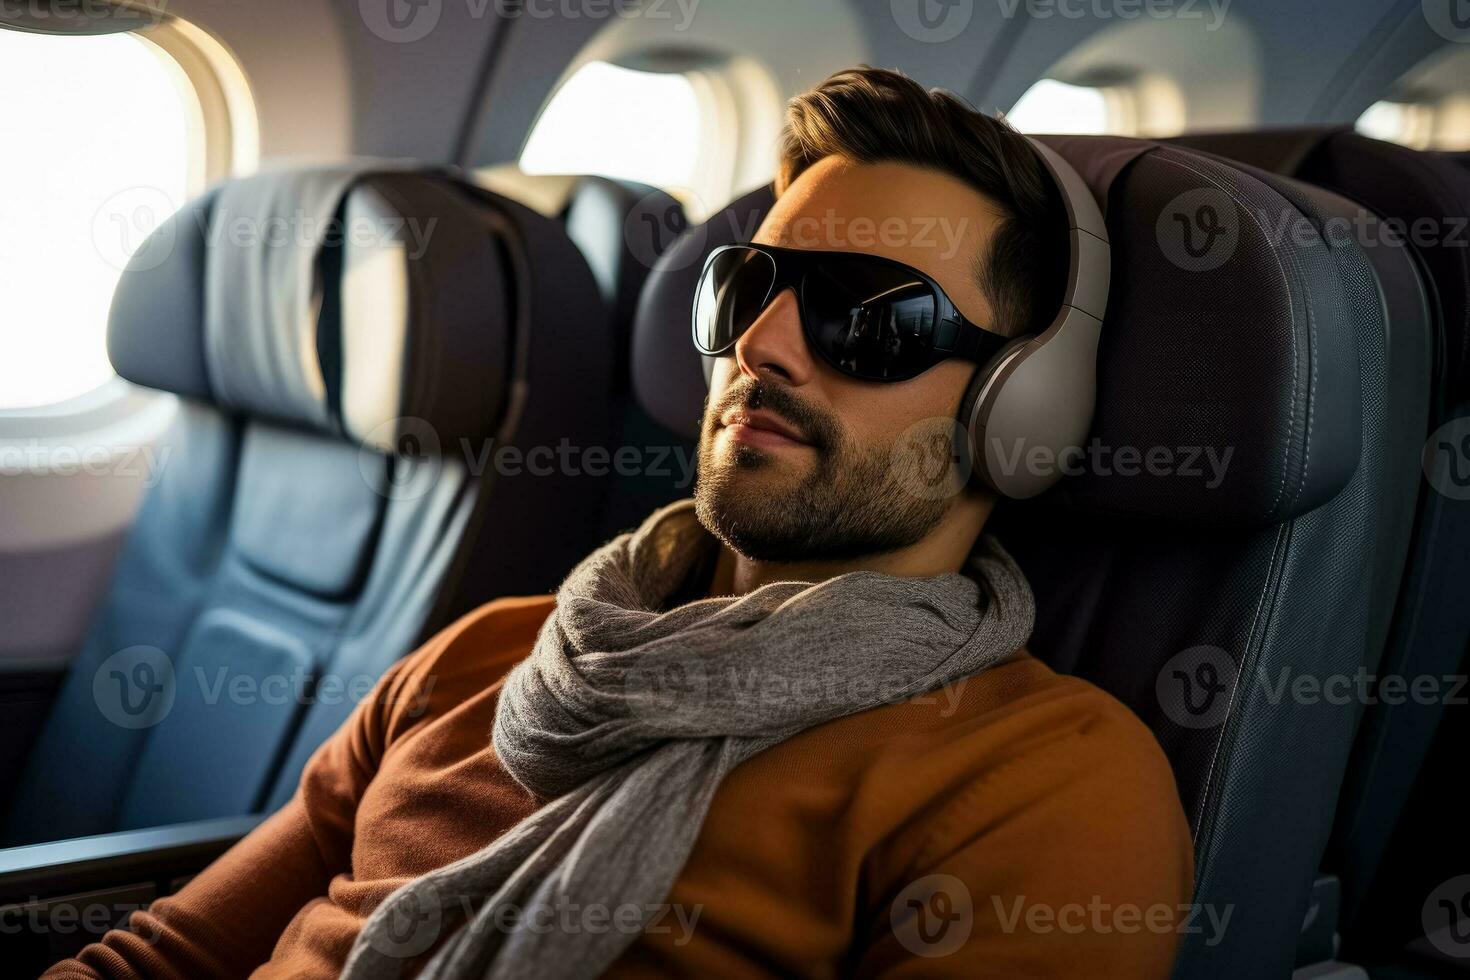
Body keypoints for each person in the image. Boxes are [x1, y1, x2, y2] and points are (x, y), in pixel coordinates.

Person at [46, 66, 1192, 980]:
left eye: (866, 318)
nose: (760, 347)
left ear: (1017, 404)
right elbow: (170, 954)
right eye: (747, 289)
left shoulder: (1045, 782)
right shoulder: (494, 651)